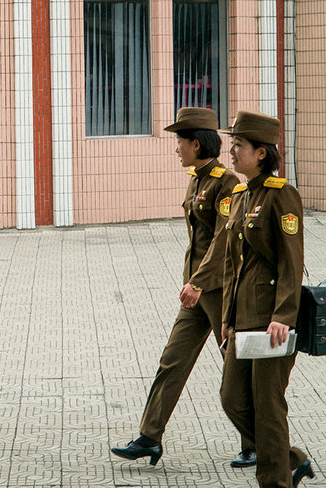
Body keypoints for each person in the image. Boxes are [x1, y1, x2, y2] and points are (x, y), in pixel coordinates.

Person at [111, 107, 255, 469]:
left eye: (180, 142)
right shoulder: (197, 178)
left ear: (196, 143)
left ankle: (255, 443)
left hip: (218, 290)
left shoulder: (227, 183)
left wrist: (198, 282)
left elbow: (224, 239)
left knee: (236, 370)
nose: (176, 148)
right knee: (172, 361)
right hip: (196, 290)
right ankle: (149, 437)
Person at [218, 111, 313, 488]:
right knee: (232, 398)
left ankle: (275, 480)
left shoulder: (280, 194)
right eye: (232, 145)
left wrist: (284, 315)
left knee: (268, 404)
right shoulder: (242, 195)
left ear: (261, 153)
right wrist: (227, 316)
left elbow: (293, 260)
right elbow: (232, 264)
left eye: (238, 146)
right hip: (243, 317)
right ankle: (290, 459)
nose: (232, 152)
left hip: (271, 318)